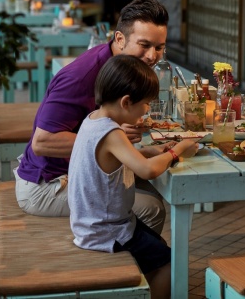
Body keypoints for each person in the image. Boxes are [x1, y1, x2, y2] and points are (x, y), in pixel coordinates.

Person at [14, 0, 171, 233]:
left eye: (159, 47)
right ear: (119, 38)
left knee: (152, 185)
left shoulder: (121, 65)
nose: (152, 56)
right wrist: (114, 138)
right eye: (144, 44)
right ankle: (129, 266)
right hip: (48, 184)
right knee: (151, 207)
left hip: (81, 169)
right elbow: (42, 142)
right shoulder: (82, 77)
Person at [69, 55, 197, 299]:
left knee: (157, 244)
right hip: (107, 232)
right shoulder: (112, 132)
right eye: (147, 103)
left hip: (94, 224)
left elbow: (120, 157)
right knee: (171, 263)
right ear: (127, 102)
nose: (148, 109)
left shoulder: (94, 120)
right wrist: (177, 149)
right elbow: (147, 171)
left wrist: (151, 151)